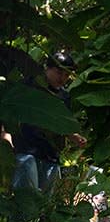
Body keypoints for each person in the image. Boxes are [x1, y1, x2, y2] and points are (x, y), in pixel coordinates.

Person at [2, 51, 86, 192]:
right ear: (47, 68)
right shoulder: (27, 87)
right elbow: (7, 113)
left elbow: (61, 124)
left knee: (44, 204)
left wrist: (75, 137)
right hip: (24, 149)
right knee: (26, 198)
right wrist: (6, 137)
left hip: (50, 155)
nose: (63, 78)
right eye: (59, 72)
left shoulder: (63, 97)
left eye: (66, 75)